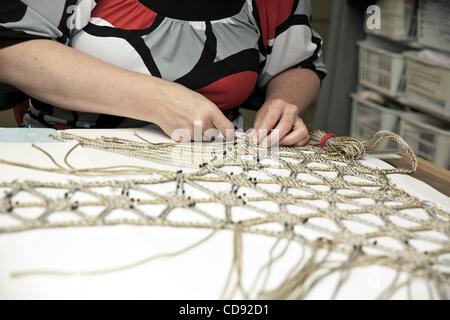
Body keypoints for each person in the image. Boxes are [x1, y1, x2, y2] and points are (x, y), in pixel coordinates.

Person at [0, 0, 326, 146]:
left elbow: (299, 63)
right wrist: (158, 100)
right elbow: (10, 48)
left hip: (216, 170)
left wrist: (283, 102)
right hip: (66, 155)